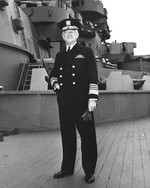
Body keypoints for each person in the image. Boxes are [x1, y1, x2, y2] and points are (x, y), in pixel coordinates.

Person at [49, 18, 99, 184]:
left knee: (87, 138)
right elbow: (54, 74)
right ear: (63, 36)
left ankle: (89, 171)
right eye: (66, 32)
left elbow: (93, 76)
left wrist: (92, 98)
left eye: (72, 32)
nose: (69, 34)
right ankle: (67, 168)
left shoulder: (86, 52)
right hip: (64, 102)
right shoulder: (60, 55)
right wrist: (54, 83)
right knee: (67, 136)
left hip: (82, 103)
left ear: (77, 34)